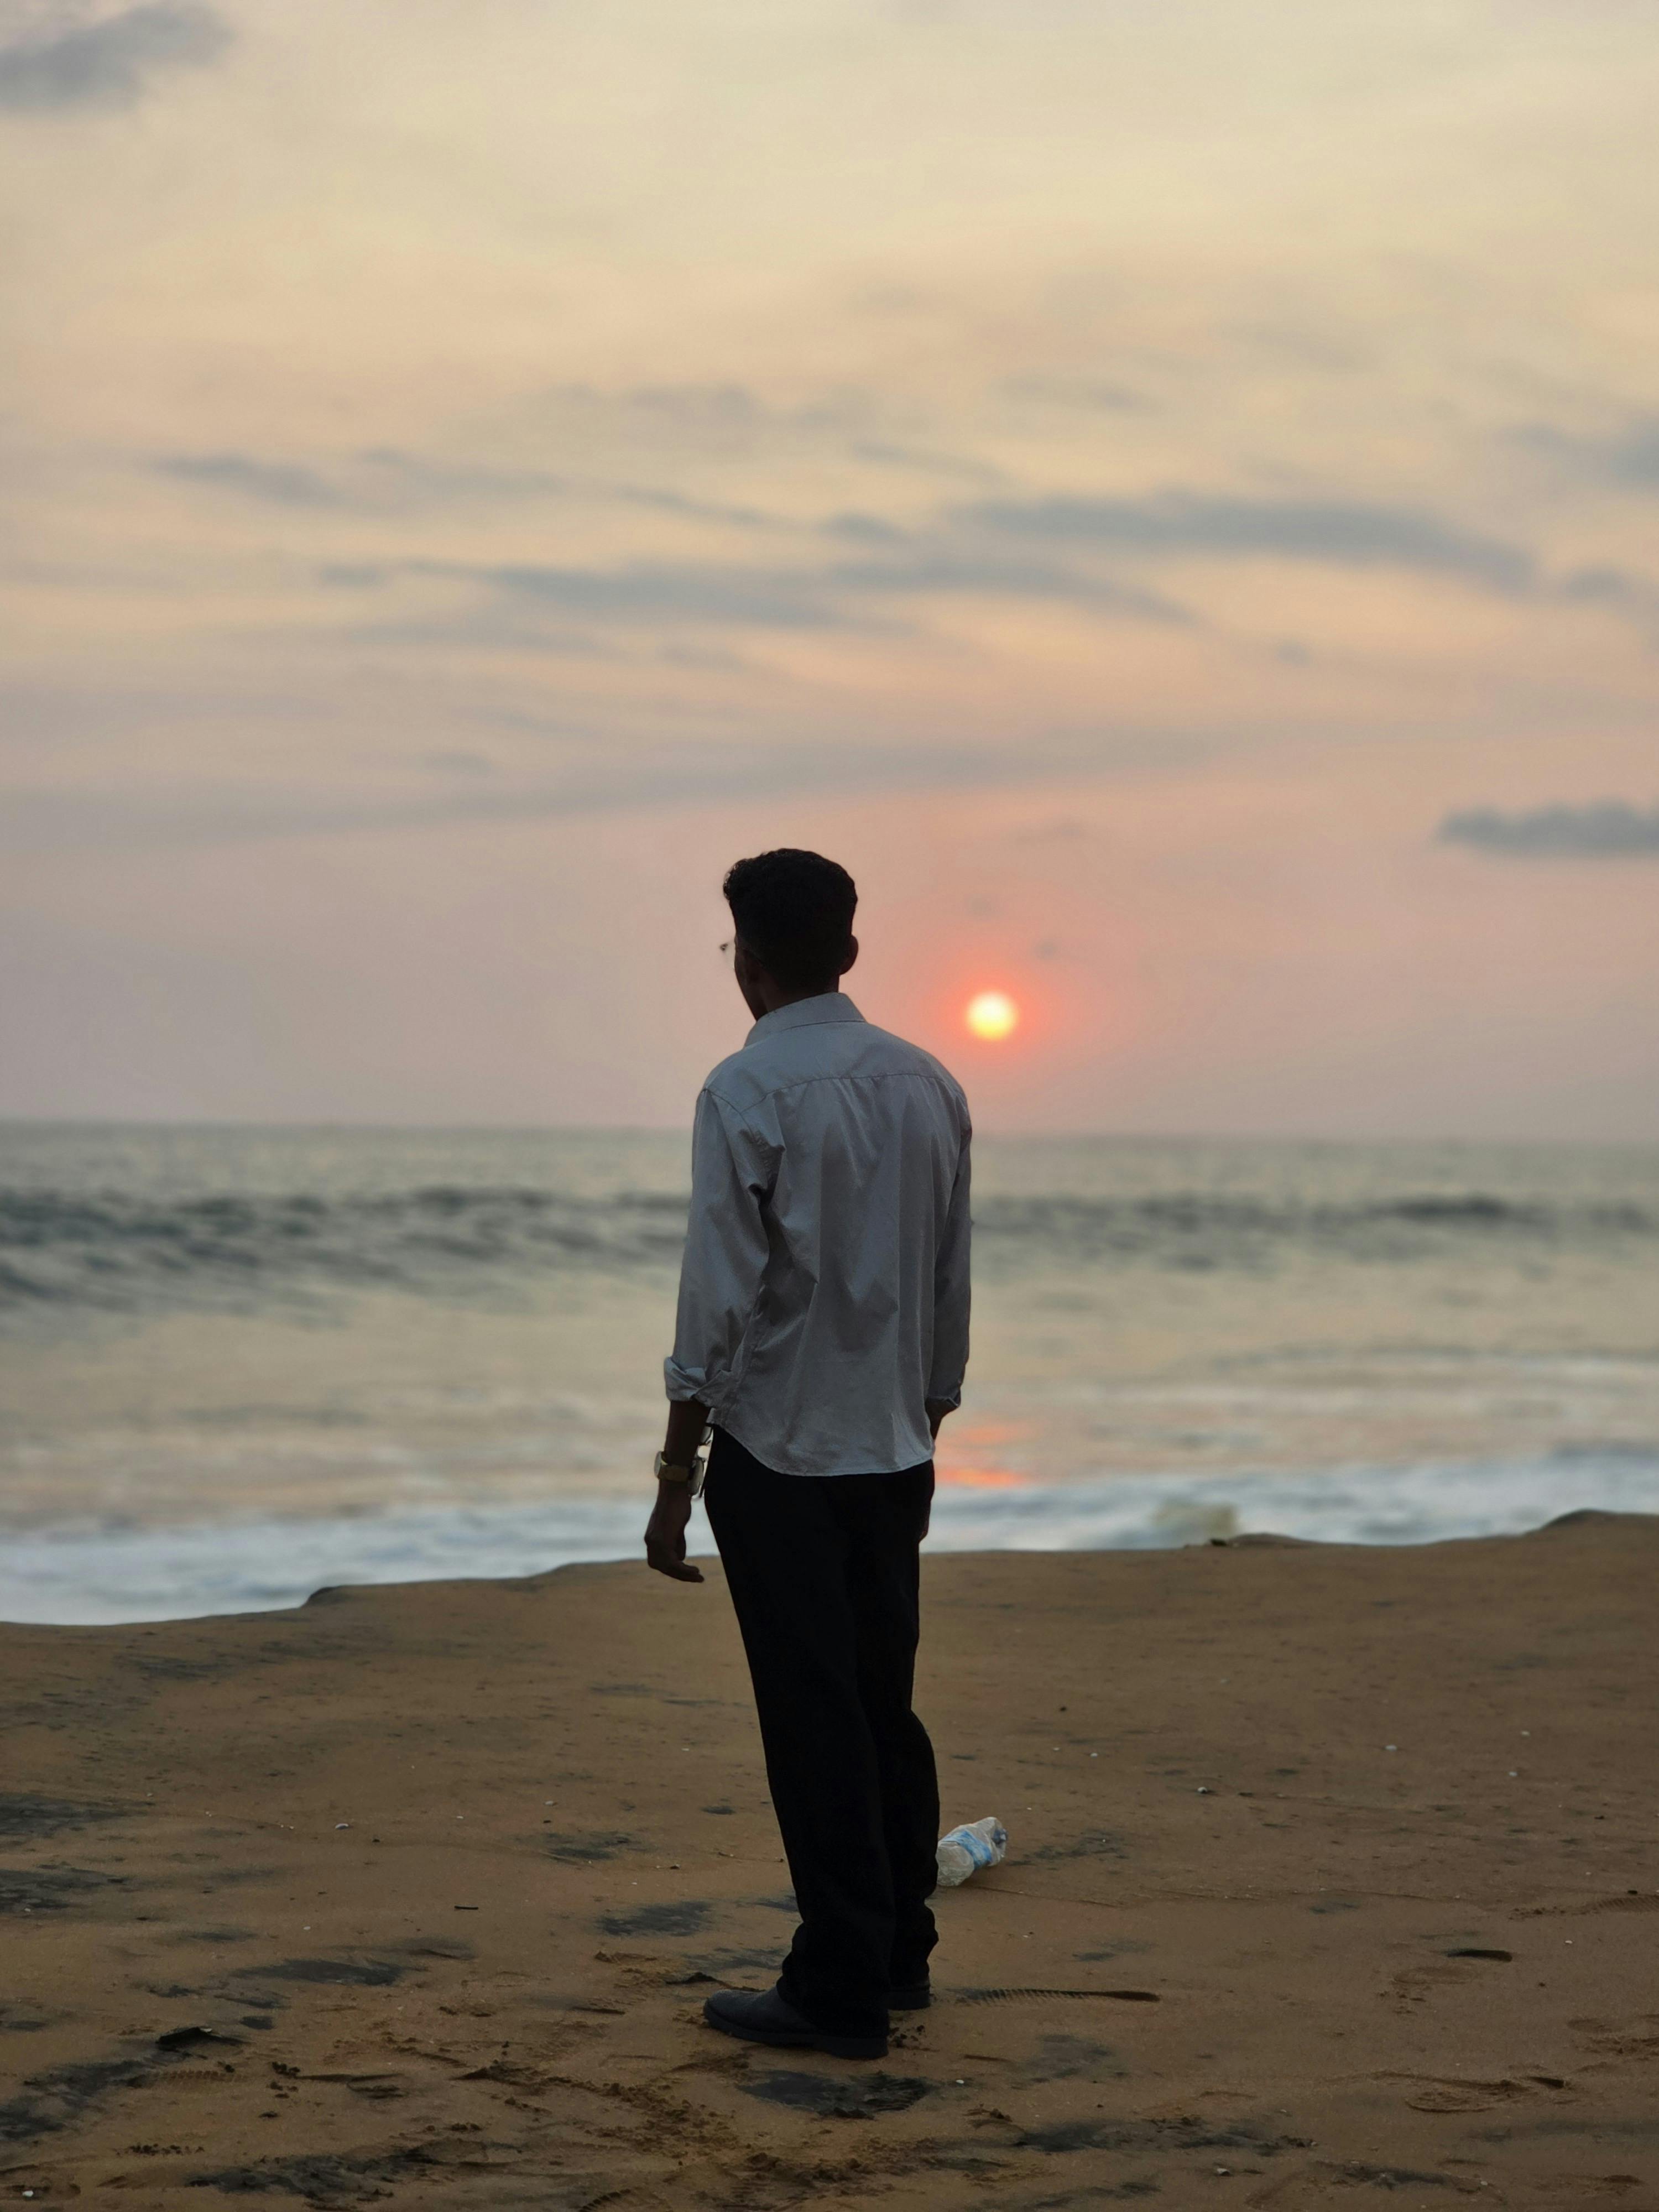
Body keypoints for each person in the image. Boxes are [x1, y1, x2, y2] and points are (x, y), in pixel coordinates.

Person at [644, 847, 972, 2062]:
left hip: (780, 1450)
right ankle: (897, 1952)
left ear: (748, 958)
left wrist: (675, 1476)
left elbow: (717, 1298)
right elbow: (948, 1276)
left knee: (812, 1714)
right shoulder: (928, 1081)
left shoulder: (746, 1088)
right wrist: (928, 1412)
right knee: (882, 1701)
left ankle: (837, 1983)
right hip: (892, 1445)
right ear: (850, 948)